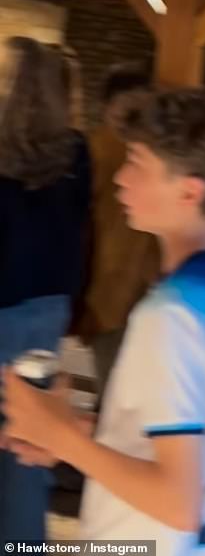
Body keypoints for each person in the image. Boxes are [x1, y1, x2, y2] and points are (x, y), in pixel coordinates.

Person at [2, 85, 205, 555]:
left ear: (190, 190)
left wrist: (59, 435)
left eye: (138, 163)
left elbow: (176, 501)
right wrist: (82, 437)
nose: (120, 179)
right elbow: (182, 444)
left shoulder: (171, 317)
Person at [0, 37, 91, 543]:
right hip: (49, 311)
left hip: (5, 305)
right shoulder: (76, 150)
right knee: (28, 446)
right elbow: (81, 225)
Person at [77, 63, 159, 400]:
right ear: (109, 108)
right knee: (117, 396)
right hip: (110, 294)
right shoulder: (97, 151)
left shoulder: (138, 153)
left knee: (119, 395)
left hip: (131, 293)